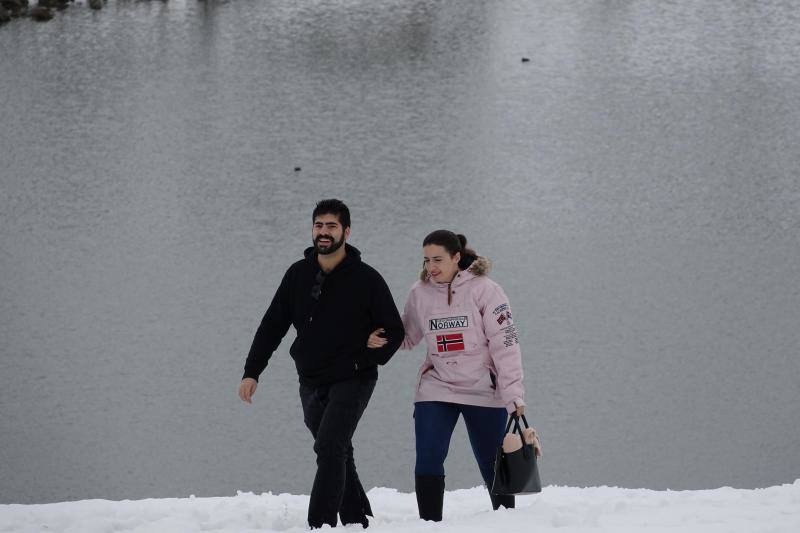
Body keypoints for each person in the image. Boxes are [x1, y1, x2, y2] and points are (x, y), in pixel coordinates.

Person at [239, 199, 404, 529]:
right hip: (311, 379)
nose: (324, 232)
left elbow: (395, 330)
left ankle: (320, 525)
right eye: (319, 225)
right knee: (337, 450)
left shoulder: (366, 279)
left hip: (354, 377)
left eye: (331, 226)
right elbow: (273, 324)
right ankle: (358, 520)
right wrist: (252, 371)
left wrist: (370, 353)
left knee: (329, 447)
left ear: (346, 231)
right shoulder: (298, 274)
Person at [368, 230, 538, 521]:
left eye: (438, 260)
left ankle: (506, 523)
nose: (430, 267)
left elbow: (506, 345)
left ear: (456, 258)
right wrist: (374, 337)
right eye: (426, 260)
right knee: (428, 457)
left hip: (483, 389)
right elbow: (407, 337)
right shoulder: (419, 292)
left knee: (491, 463)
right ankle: (429, 524)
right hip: (437, 387)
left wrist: (513, 395)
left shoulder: (487, 290)